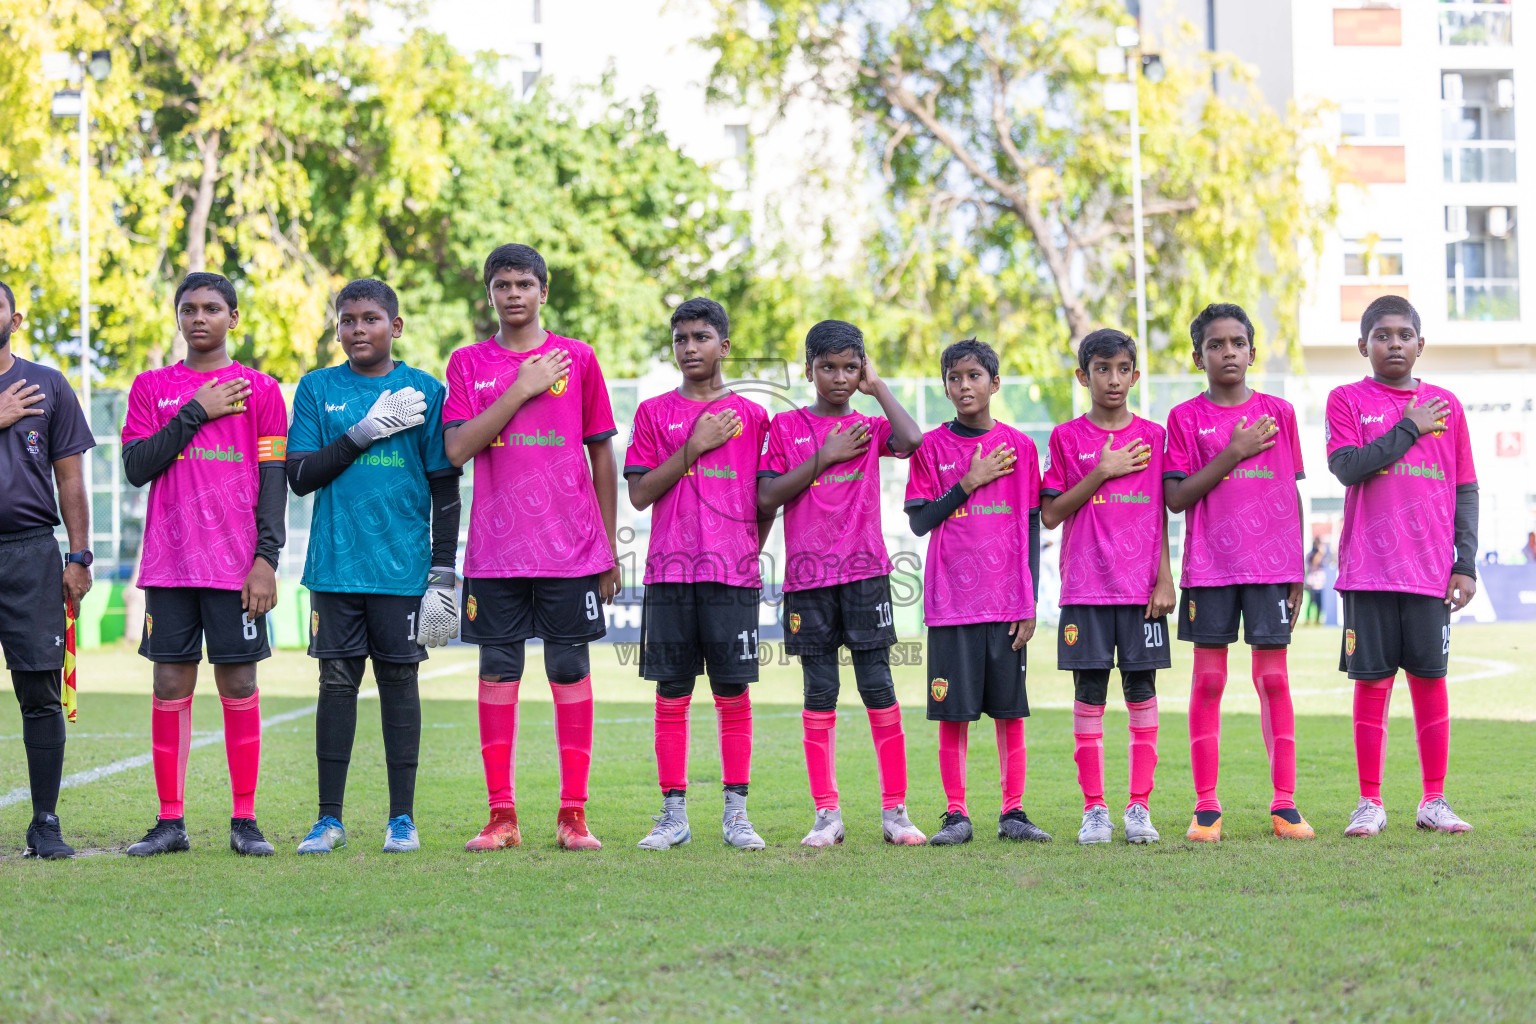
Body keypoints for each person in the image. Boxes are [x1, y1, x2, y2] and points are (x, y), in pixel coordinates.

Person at [443, 244, 620, 852]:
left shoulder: (580, 358)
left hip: (571, 550)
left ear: (544, 291)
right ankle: (502, 817)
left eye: (524, 283)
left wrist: (608, 548)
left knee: (570, 669)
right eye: (502, 284)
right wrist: (521, 388)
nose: (513, 293)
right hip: (495, 552)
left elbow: (601, 451)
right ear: (489, 293)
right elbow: (458, 449)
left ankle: (573, 816)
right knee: (499, 671)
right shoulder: (467, 364)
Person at [285, 278, 462, 855]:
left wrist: (442, 570)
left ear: (395, 327)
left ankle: (402, 820)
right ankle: (328, 819)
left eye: (369, 319)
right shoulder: (316, 388)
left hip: (403, 571)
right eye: (346, 320)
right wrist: (365, 431)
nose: (357, 330)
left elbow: (445, 487)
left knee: (399, 682)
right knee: (335, 684)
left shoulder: (425, 392)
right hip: (336, 566)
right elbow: (301, 475)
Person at [120, 272, 288, 857]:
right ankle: (170, 823)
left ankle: (245, 821)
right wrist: (195, 410)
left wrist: (266, 558)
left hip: (236, 567)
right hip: (170, 565)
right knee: (170, 682)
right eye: (188, 308)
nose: (199, 318)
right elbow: (137, 465)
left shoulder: (261, 391)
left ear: (232, 318)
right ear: (177, 316)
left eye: (212, 308)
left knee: (239, 681)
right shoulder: (151, 388)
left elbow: (273, 479)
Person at [757, 319, 927, 847]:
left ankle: (895, 812)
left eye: (851, 368)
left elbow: (912, 438)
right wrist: (824, 457)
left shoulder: (871, 427)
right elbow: (767, 497)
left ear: (862, 371)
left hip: (865, 574)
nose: (838, 377)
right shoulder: (784, 428)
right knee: (820, 689)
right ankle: (826, 815)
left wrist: (878, 389)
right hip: (808, 579)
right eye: (827, 367)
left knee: (879, 686)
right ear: (809, 369)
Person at [1327, 294, 1478, 837]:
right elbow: (1347, 468)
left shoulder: (1448, 404)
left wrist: (1466, 563)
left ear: (1421, 344)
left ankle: (1433, 801)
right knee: (1372, 684)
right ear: (1362, 345)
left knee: (1430, 681)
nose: (1394, 343)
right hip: (1368, 570)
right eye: (1382, 335)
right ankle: (1370, 802)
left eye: (1404, 335)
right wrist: (1411, 426)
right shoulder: (1346, 400)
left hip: (1430, 572)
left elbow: (1465, 488)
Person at [1163, 303, 1314, 842]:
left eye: (1236, 343)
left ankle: (1286, 806)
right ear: (1198, 355)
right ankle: (1207, 808)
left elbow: (1291, 493)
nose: (1227, 352)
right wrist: (1233, 451)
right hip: (1210, 569)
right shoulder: (1184, 419)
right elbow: (1176, 498)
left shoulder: (1281, 412)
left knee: (1273, 679)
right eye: (1215, 344)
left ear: (1252, 350)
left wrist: (1297, 569)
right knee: (1208, 681)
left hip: (1272, 568)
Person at [624, 298, 771, 851]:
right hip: (669, 571)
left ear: (723, 346)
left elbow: (767, 501)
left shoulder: (755, 417)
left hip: (732, 577)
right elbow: (639, 494)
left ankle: (737, 815)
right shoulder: (654, 413)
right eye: (681, 338)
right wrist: (694, 446)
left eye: (701, 337)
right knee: (672, 691)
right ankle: (673, 815)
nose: (690, 348)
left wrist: (747, 552)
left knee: (732, 691)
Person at [904, 339, 1051, 846]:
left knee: (1010, 712)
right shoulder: (929, 448)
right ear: (944, 385)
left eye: (973, 376)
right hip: (951, 604)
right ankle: (956, 814)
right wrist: (968, 482)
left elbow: (1032, 527)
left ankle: (1013, 812)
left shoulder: (1022, 448)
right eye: (953, 377)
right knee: (954, 714)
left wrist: (1028, 599)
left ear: (994, 383)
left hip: (1007, 602)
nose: (963, 386)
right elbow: (922, 522)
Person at [1041, 328, 1175, 846]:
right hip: (1085, 589)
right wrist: (1102, 470)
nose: (1113, 379)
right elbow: (1051, 514)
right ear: (1083, 376)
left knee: (1142, 692)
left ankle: (1139, 807)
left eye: (1123, 369)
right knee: (1089, 694)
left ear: (1135, 375)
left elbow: (1162, 511)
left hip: (1142, 591)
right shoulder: (1066, 438)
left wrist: (1165, 576)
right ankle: (1094, 809)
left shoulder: (1156, 436)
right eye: (1102, 369)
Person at [0, 281, 94, 859]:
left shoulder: (48, 385)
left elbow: (70, 478)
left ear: (15, 318)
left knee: (40, 691)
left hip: (30, 552)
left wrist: (79, 556)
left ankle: (45, 822)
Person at [1305, 539, 1327, 625]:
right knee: (1311, 602)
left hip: (1320, 583)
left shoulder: (1322, 556)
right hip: (1312, 582)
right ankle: (1308, 619)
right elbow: (1313, 563)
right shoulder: (1311, 555)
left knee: (1319, 602)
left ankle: (1318, 619)